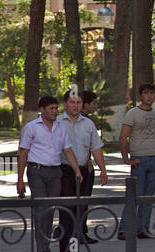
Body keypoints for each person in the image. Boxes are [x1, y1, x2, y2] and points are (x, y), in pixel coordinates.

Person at [17, 95, 82, 252]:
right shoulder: (31, 127)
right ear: (42, 110)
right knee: (41, 210)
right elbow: (23, 153)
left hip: (55, 173)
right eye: (51, 108)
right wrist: (20, 179)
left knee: (51, 209)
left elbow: (67, 150)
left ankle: (45, 245)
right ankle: (42, 248)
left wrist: (77, 170)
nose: (55, 111)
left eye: (56, 108)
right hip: (37, 171)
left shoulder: (60, 128)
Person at [57, 90, 108, 251]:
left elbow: (96, 148)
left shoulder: (88, 124)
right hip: (64, 171)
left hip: (83, 171)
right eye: (72, 102)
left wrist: (103, 169)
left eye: (78, 102)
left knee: (80, 208)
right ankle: (65, 247)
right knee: (67, 210)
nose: (75, 106)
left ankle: (77, 240)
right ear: (65, 104)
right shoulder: (57, 122)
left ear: (82, 104)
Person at [118, 83, 155, 240]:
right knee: (135, 195)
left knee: (148, 197)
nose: (149, 96)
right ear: (141, 95)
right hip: (139, 160)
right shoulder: (132, 113)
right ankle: (124, 229)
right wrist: (126, 159)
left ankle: (143, 229)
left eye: (152, 93)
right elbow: (123, 137)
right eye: (146, 93)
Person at [79, 90, 100, 244]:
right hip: (82, 167)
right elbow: (79, 143)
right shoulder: (82, 121)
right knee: (81, 200)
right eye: (94, 103)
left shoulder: (85, 120)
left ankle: (73, 230)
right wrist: (88, 162)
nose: (96, 106)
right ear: (85, 104)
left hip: (82, 165)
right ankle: (80, 232)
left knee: (80, 201)